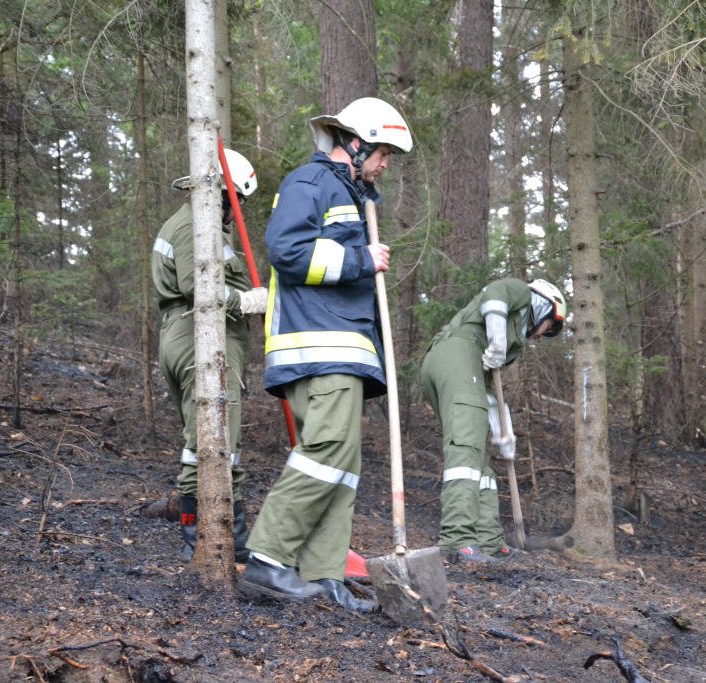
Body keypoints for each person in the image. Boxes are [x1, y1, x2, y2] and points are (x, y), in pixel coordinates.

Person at [236, 97, 412, 613]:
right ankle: (268, 558)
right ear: (355, 143)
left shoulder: (351, 195)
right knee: (327, 451)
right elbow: (286, 250)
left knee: (343, 465)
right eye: (383, 153)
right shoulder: (310, 182)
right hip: (317, 346)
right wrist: (360, 259)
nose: (385, 164)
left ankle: (323, 573)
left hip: (344, 349)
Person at [151, 148, 267, 561]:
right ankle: (201, 538)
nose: (238, 212)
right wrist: (246, 302)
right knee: (212, 442)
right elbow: (196, 287)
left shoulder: (201, 227)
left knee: (213, 440)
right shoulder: (194, 228)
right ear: (220, 193)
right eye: (237, 201)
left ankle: (226, 537)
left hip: (188, 336)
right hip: (197, 337)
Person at [420, 278, 567, 564]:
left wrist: (504, 432)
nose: (541, 336)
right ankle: (458, 540)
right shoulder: (521, 293)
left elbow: (488, 391)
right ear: (546, 307)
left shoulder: (511, 333)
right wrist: (498, 340)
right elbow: (495, 292)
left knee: (478, 457)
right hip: (457, 356)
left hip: (459, 368)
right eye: (549, 327)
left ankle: (489, 541)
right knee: (466, 451)